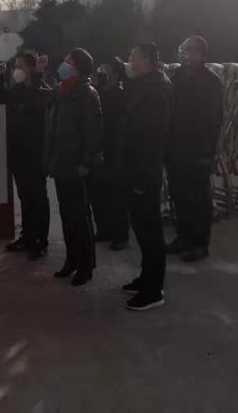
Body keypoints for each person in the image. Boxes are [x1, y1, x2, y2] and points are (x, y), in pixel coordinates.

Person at [119, 43, 172, 310]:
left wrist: (142, 174)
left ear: (151, 60)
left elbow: (152, 137)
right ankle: (146, 277)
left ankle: (153, 290)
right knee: (141, 226)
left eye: (137, 58)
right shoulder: (142, 85)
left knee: (150, 229)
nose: (132, 62)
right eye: (131, 57)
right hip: (135, 167)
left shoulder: (156, 89)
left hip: (145, 169)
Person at [45, 48, 103, 286]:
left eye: (68, 62)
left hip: (77, 165)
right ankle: (72, 260)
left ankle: (85, 265)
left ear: (78, 66)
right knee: (67, 215)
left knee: (80, 216)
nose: (63, 64)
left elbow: (93, 132)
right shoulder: (62, 91)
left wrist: (86, 162)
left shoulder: (86, 94)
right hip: (62, 163)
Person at [166, 36, 224, 262]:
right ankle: (183, 237)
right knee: (179, 195)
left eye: (191, 49)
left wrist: (207, 154)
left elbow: (214, 121)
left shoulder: (211, 81)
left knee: (198, 198)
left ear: (201, 54)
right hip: (176, 147)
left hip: (197, 149)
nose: (186, 53)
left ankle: (200, 244)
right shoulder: (176, 77)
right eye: (184, 49)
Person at [1, 51, 52, 260]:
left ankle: (40, 240)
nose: (17, 70)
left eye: (20, 65)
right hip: (18, 153)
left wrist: (37, 76)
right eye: (16, 65)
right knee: (25, 197)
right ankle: (27, 236)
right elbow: (3, 96)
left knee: (38, 197)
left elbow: (39, 105)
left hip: (35, 154)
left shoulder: (41, 90)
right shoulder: (18, 90)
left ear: (31, 68)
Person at [91, 57, 129, 250]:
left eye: (105, 67)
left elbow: (121, 125)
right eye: (101, 66)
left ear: (114, 71)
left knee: (116, 196)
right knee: (99, 194)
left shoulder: (121, 93)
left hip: (114, 150)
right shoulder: (98, 90)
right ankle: (103, 229)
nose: (101, 70)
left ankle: (120, 235)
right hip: (98, 148)